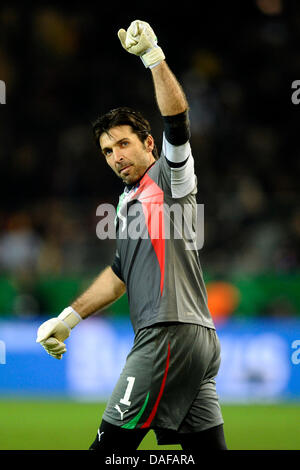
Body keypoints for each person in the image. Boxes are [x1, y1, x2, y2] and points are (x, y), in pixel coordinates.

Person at [36, 20, 227, 452]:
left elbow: (177, 119)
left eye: (123, 144)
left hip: (167, 335)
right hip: (195, 341)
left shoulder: (169, 178)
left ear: (148, 144)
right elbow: (119, 274)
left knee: (108, 452)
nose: (116, 156)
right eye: (107, 150)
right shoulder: (127, 203)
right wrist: (67, 320)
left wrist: (152, 57)